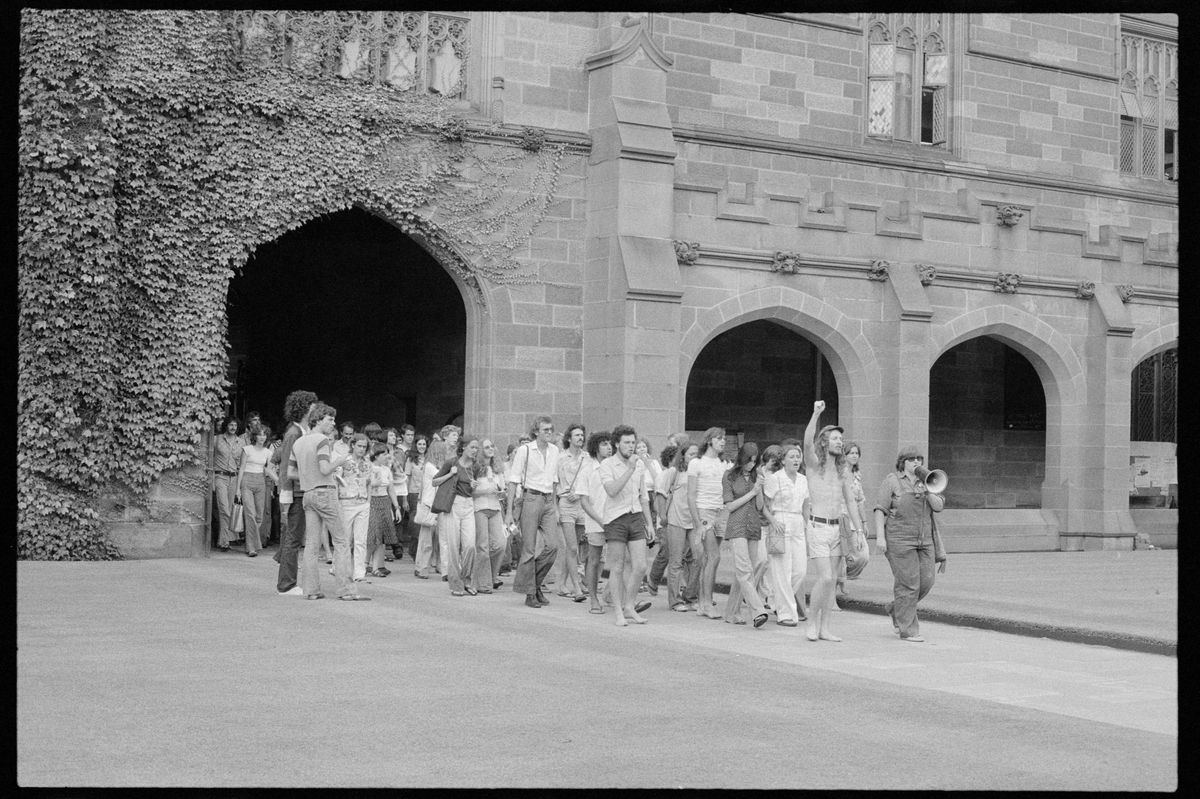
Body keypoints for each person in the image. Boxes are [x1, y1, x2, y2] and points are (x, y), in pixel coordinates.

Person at [801, 401, 867, 641]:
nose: (840, 442)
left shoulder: (844, 471)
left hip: (837, 528)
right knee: (825, 578)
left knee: (831, 583)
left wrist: (858, 530)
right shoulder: (814, 464)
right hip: (817, 526)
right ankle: (811, 623)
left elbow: (851, 502)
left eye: (841, 439)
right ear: (825, 441)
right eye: (835, 438)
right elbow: (807, 441)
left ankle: (825, 628)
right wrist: (816, 413)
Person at [293, 404, 369, 601]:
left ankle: (310, 590)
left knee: (311, 544)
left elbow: (290, 473)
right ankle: (347, 590)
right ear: (318, 420)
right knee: (342, 541)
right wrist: (341, 461)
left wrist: (308, 476)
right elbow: (326, 468)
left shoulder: (299, 443)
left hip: (308, 493)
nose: (333, 423)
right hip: (325, 492)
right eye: (330, 419)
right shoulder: (322, 441)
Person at [874, 446, 947, 643]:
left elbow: (939, 506)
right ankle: (908, 630)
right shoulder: (892, 481)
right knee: (908, 584)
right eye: (912, 459)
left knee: (927, 581)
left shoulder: (928, 482)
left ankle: (897, 609)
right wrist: (880, 537)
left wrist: (929, 488)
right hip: (899, 539)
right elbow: (880, 509)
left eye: (919, 459)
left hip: (925, 540)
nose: (917, 462)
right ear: (903, 462)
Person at [598, 425, 655, 627]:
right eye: (627, 443)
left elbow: (643, 496)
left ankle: (629, 605)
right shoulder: (607, 464)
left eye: (633, 442)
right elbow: (612, 490)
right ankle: (618, 610)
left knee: (640, 565)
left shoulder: (639, 464)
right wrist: (629, 468)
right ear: (617, 444)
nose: (631, 447)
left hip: (635, 515)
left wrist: (649, 523)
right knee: (618, 566)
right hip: (615, 517)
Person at [506, 417, 560, 608]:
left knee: (552, 546)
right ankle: (530, 592)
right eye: (545, 429)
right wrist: (509, 512)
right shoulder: (525, 450)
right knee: (529, 549)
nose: (549, 432)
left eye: (551, 429)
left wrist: (554, 505)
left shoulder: (554, 451)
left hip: (547, 500)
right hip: (531, 497)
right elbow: (513, 480)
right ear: (536, 432)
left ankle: (534, 583)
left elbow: (554, 480)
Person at [273, 390, 318, 595]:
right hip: (295, 491)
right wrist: (286, 494)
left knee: (295, 537)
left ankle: (288, 580)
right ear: (304, 408)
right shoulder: (294, 433)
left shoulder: (301, 430)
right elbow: (285, 467)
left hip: (301, 490)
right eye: (312, 404)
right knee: (293, 538)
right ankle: (286, 584)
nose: (315, 408)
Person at [721, 443, 770, 628]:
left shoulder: (757, 476)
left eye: (754, 461)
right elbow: (730, 506)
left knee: (747, 570)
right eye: (749, 460)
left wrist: (759, 489)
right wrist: (753, 492)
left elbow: (759, 506)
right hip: (737, 526)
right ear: (742, 458)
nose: (751, 464)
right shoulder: (729, 476)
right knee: (744, 569)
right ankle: (758, 610)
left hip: (753, 526)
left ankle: (731, 612)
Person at [761, 441, 808, 628]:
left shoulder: (803, 479)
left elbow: (806, 505)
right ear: (783, 460)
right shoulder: (775, 478)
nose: (796, 460)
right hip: (780, 520)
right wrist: (773, 521)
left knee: (800, 571)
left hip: (798, 523)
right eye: (792, 456)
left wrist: (807, 525)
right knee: (782, 570)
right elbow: (763, 504)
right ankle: (785, 613)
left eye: (798, 456)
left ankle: (774, 600)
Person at [686, 427, 729, 619]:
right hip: (704, 511)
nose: (723, 442)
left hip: (720, 511)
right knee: (714, 556)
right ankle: (705, 602)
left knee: (709, 560)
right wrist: (698, 523)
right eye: (719, 438)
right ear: (710, 440)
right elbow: (691, 495)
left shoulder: (724, 464)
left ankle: (704, 602)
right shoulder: (696, 463)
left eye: (724, 439)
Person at [434, 434, 481, 597]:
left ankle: (467, 579)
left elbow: (475, 488)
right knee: (453, 545)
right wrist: (450, 474)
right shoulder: (451, 463)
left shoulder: (476, 466)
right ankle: (455, 583)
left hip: (468, 504)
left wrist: (475, 486)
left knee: (470, 545)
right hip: (454, 504)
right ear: (463, 447)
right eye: (472, 447)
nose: (475, 450)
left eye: (476, 448)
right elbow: (435, 481)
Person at [659, 442, 699, 612]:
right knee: (676, 561)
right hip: (676, 519)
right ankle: (675, 601)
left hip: (695, 520)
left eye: (697, 454)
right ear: (683, 456)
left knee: (698, 558)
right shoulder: (674, 472)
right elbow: (661, 493)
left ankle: (690, 596)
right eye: (691, 454)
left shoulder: (699, 473)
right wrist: (662, 515)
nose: (694, 458)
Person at [553, 423, 588, 600]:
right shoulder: (561, 458)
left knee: (575, 548)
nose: (580, 438)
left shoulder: (586, 457)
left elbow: (589, 480)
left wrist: (580, 494)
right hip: (566, 502)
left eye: (582, 435)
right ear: (569, 438)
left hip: (582, 503)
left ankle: (561, 583)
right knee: (571, 546)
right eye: (577, 435)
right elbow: (554, 482)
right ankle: (576, 587)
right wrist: (555, 506)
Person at [579, 431, 611, 615]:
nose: (609, 448)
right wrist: (599, 520)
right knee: (594, 559)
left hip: (615, 520)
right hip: (596, 521)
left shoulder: (615, 467)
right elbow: (584, 501)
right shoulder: (588, 470)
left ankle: (612, 595)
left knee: (618, 560)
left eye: (610, 444)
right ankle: (593, 598)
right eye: (604, 444)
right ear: (596, 447)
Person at [336, 434, 373, 581]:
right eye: (359, 446)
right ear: (353, 445)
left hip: (362, 502)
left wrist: (368, 501)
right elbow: (337, 481)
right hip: (346, 501)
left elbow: (369, 483)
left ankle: (359, 571)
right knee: (345, 539)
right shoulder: (344, 460)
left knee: (361, 540)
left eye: (364, 447)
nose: (362, 449)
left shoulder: (368, 463)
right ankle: (340, 567)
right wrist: (338, 501)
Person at [472, 439, 507, 593]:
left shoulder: (498, 469)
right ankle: (484, 583)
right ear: (481, 450)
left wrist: (502, 493)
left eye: (492, 446)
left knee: (501, 543)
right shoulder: (475, 468)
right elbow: (468, 491)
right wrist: (485, 491)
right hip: (479, 507)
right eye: (486, 447)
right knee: (483, 546)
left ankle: (491, 576)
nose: (490, 449)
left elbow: (503, 489)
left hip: (495, 507)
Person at [232, 424, 272, 557]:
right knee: (250, 514)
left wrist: (276, 482)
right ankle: (251, 547)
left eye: (264, 434)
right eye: (260, 434)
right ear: (255, 436)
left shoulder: (268, 452)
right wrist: (237, 489)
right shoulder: (247, 449)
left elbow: (269, 469)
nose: (262, 437)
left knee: (259, 516)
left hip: (261, 482)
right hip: (247, 481)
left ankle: (252, 543)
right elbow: (242, 468)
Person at [645, 444, 679, 597]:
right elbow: (658, 500)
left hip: (678, 521)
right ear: (670, 460)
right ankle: (653, 578)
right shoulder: (664, 475)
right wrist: (663, 517)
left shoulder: (681, 474)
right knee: (666, 551)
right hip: (664, 522)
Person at [839, 442, 870, 595]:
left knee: (863, 556)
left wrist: (864, 522)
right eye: (850, 453)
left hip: (855, 519)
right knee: (842, 554)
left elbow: (860, 500)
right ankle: (840, 582)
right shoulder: (839, 474)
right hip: (842, 517)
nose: (854, 455)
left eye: (856, 453)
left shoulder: (857, 475)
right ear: (844, 455)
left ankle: (845, 576)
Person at [364, 442, 400, 579]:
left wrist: (396, 507)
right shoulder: (369, 468)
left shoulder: (386, 470)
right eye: (384, 454)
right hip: (372, 501)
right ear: (376, 455)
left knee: (382, 537)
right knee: (373, 535)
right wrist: (374, 484)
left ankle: (376, 567)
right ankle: (365, 563)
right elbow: (365, 484)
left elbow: (391, 488)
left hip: (385, 501)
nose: (387, 456)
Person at [413, 438, 446, 579]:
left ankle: (438, 565)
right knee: (426, 540)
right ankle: (421, 567)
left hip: (438, 505)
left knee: (440, 538)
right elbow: (441, 478)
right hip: (430, 506)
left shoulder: (434, 466)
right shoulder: (430, 467)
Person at [212, 416, 243, 552]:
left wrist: (240, 486)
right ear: (226, 426)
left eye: (235, 425)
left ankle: (223, 540)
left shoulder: (241, 442)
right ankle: (225, 541)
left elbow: (242, 463)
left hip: (234, 477)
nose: (232, 428)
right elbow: (209, 459)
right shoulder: (216, 439)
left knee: (229, 509)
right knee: (224, 509)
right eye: (230, 425)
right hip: (220, 476)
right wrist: (212, 478)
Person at [404, 433, 428, 567]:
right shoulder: (410, 459)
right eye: (419, 444)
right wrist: (405, 498)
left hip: (426, 494)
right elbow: (406, 478)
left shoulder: (429, 459)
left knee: (425, 523)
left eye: (424, 444)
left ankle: (421, 551)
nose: (422, 446)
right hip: (413, 493)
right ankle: (413, 550)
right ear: (415, 445)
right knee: (415, 523)